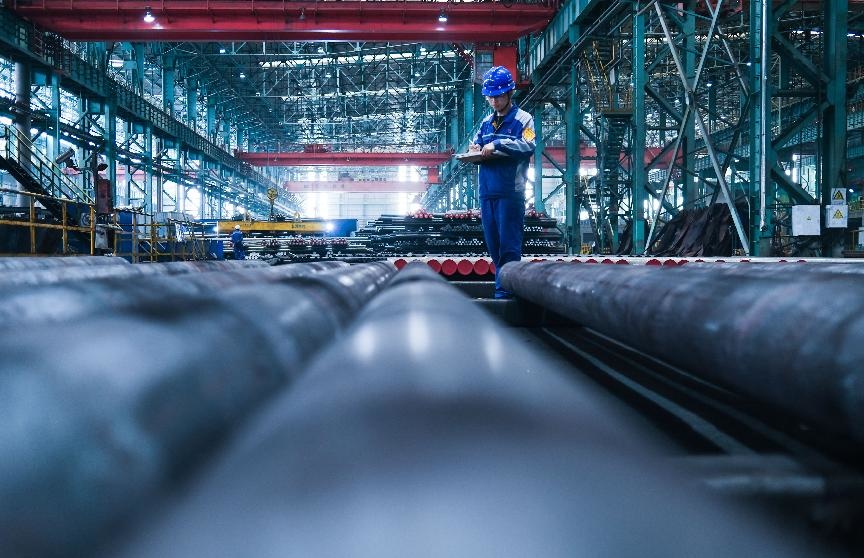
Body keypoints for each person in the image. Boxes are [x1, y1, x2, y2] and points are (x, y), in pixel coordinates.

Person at [469, 66, 536, 299]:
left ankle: (506, 295)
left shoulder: (523, 120)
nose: (494, 101)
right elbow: (476, 144)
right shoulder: (486, 123)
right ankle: (503, 291)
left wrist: (498, 145)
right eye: (490, 97)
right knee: (494, 247)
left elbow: (528, 146)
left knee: (509, 248)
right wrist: (475, 149)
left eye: (498, 96)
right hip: (487, 192)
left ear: (509, 94)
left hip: (510, 192)